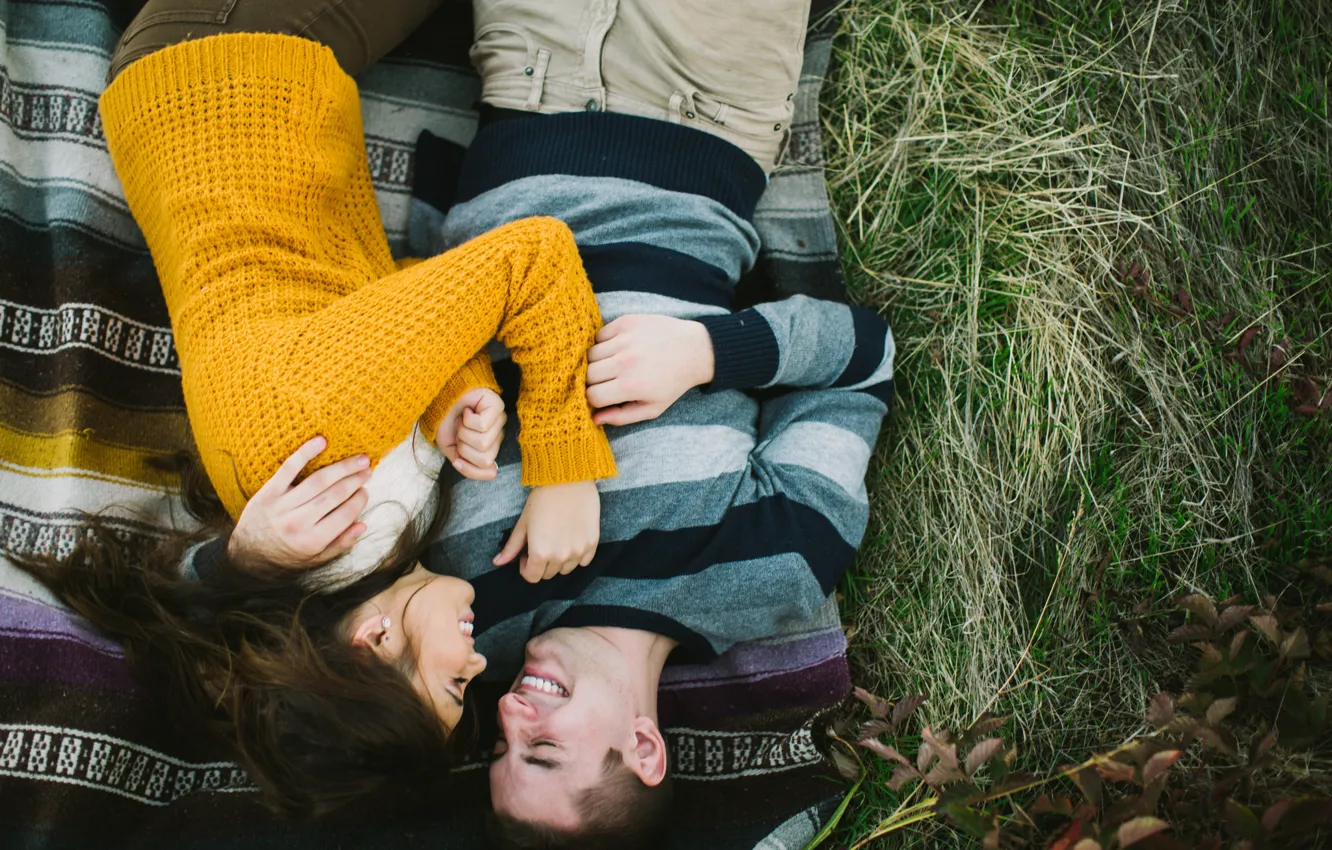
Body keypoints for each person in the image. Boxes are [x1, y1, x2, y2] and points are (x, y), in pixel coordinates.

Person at [14, 0, 618, 818]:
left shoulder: (324, 442)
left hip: (226, 62)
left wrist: (563, 468)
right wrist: (454, 384)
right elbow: (383, 294)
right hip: (243, 92)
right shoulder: (349, 529)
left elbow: (532, 257)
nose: (481, 669)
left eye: (453, 684)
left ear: (372, 642)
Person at [401, 0, 895, 845]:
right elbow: (864, 358)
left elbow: (405, 350)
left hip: (528, 83)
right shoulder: (775, 566)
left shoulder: (467, 605)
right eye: (545, 752)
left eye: (501, 753)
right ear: (643, 748)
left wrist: (452, 404)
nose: (513, 719)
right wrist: (705, 353)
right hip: (706, 104)